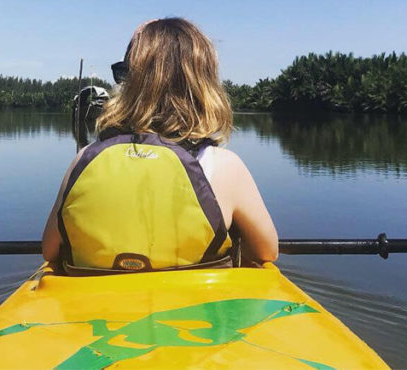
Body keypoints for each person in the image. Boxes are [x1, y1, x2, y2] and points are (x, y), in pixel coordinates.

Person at [42, 18, 278, 273]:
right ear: (204, 84)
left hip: (97, 309)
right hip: (194, 307)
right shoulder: (225, 167)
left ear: (129, 83)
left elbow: (50, 249)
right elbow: (266, 251)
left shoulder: (85, 158)